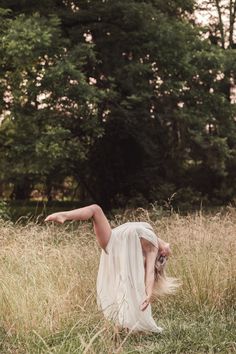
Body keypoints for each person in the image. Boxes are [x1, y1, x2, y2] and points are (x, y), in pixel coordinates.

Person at [45, 204, 178, 333]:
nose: (168, 249)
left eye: (165, 255)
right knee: (95, 209)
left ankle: (126, 321)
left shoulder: (152, 247)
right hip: (112, 238)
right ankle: (64, 215)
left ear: (162, 254)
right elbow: (154, 263)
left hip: (113, 244)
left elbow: (149, 273)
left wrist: (148, 294)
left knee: (96, 209)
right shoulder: (150, 236)